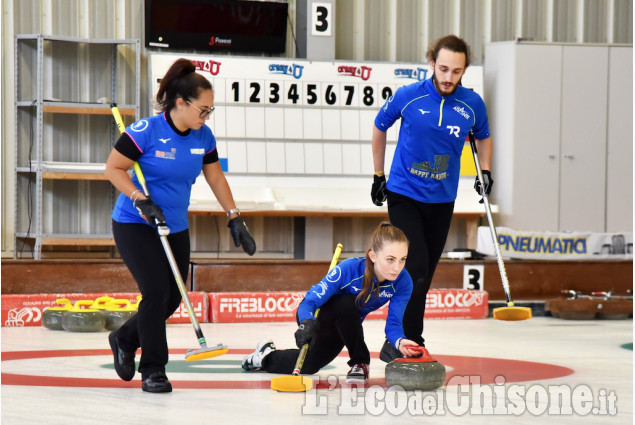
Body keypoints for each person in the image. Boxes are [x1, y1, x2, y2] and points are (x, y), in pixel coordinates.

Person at [104, 58, 256, 393]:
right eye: (203, 109)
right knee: (156, 292)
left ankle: (124, 338)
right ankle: (154, 369)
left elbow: (214, 176)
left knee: (172, 298)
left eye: (210, 111)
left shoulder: (203, 137)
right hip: (137, 222)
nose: (206, 116)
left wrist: (234, 216)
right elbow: (113, 169)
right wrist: (139, 198)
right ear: (181, 103)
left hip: (175, 225)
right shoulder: (146, 132)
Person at [370, 35, 494, 362]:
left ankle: (393, 341)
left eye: (456, 71)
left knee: (424, 276)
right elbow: (379, 126)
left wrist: (487, 171)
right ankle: (410, 341)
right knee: (417, 270)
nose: (448, 78)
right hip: (404, 194)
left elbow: (483, 136)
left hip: (442, 200)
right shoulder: (409, 96)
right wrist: (378, 175)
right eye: (443, 69)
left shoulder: (472, 104)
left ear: (464, 71)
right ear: (431, 64)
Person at [241, 223, 420, 383]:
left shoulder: (403, 282)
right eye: (390, 259)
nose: (397, 267)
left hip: (346, 324)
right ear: (373, 256)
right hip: (320, 316)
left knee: (310, 365)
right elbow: (310, 301)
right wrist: (306, 322)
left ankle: (265, 356)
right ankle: (360, 362)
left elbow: (394, 324)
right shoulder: (348, 269)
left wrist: (399, 341)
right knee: (346, 303)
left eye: (402, 259)